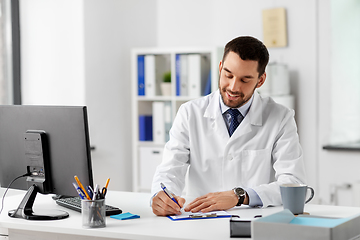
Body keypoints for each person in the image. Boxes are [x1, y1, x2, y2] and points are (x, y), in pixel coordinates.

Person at [151, 36, 306, 216]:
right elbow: (170, 168)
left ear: (261, 80)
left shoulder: (281, 118)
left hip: (252, 220)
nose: (233, 87)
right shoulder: (189, 113)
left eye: (245, 79)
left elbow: (292, 183)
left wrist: (240, 196)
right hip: (198, 220)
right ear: (220, 68)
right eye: (228, 75)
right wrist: (161, 195)